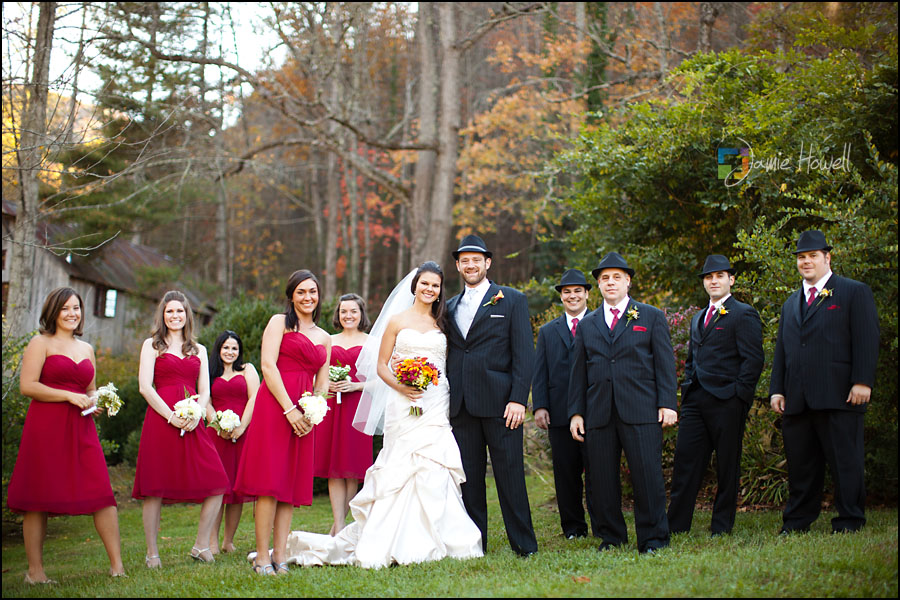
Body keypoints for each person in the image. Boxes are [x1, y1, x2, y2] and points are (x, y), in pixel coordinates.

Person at [283, 261, 483, 568]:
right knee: (400, 465)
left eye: (436, 285)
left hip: (436, 401)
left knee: (435, 464)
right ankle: (391, 536)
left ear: (441, 290)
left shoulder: (443, 323)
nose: (430, 289)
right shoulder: (396, 320)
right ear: (415, 285)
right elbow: (380, 366)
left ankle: (443, 536)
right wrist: (402, 387)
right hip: (402, 401)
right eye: (425, 283)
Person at [7, 287, 125, 583]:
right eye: (66, 309)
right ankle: (35, 573)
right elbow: (28, 386)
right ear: (53, 312)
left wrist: (96, 401)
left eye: (77, 308)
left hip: (81, 428)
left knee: (102, 493)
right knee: (38, 496)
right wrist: (68, 397)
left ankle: (118, 567)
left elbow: (89, 389)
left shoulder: (86, 349)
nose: (73, 313)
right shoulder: (40, 343)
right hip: (45, 427)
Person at [769, 230, 879, 534]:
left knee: (846, 462)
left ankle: (849, 520)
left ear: (827, 258)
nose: (806, 262)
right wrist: (777, 388)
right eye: (801, 257)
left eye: (812, 256)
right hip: (797, 397)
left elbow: (867, 339)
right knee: (801, 466)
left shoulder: (853, 292)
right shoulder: (791, 303)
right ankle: (797, 522)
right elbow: (783, 349)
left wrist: (862, 381)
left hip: (840, 394)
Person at [569, 251, 678, 554]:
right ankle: (612, 536)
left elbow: (664, 363)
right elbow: (578, 371)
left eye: (617, 277)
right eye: (605, 278)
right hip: (599, 413)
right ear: (599, 285)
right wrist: (577, 412)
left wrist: (668, 403)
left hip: (641, 409)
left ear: (628, 281)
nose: (610, 282)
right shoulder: (588, 324)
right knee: (602, 479)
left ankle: (654, 538)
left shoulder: (651, 316)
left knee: (647, 476)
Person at [233, 270, 331, 575]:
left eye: (312, 292)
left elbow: (322, 384)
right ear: (291, 295)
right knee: (269, 483)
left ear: (319, 295)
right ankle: (262, 556)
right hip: (275, 408)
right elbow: (267, 366)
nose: (307, 297)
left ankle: (280, 555)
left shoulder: (325, 338)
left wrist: (313, 412)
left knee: (289, 486)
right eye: (301, 292)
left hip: (304, 415)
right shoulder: (279, 323)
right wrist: (289, 410)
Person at [446, 234, 538, 557]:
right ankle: (475, 545)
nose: (470, 265)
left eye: (476, 259)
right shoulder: (448, 307)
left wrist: (518, 398)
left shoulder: (511, 299)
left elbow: (524, 355)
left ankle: (524, 545)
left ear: (487, 263)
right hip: (461, 407)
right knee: (469, 481)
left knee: (510, 476)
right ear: (458, 265)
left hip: (502, 405)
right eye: (464, 260)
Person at [667, 255, 764, 536]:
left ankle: (721, 526)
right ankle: (676, 524)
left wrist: (739, 397)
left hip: (727, 401)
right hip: (696, 401)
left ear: (730, 280)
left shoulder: (743, 313)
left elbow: (753, 360)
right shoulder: (699, 317)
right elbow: (691, 359)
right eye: (709, 277)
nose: (714, 281)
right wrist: (688, 387)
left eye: (719, 276)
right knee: (685, 462)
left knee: (727, 466)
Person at [132, 290, 229, 567]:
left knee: (217, 482)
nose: (175, 316)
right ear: (163, 315)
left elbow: (205, 391)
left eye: (180, 311)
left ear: (188, 315)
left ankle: (200, 545)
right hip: (161, 421)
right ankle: (152, 554)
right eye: (170, 311)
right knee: (154, 487)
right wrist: (171, 417)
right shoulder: (151, 345)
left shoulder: (197, 349)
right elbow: (145, 387)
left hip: (193, 421)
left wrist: (197, 414)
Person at [532, 269, 600, 540]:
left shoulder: (598, 324)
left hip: (594, 409)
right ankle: (573, 527)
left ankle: (601, 524)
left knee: (597, 471)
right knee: (566, 473)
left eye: (577, 291)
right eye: (567, 292)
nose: (572, 296)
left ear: (586, 294)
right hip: (558, 412)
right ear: (561, 296)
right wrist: (540, 406)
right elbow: (540, 371)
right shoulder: (549, 331)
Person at [314, 293, 374, 536]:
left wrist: (356, 386)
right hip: (332, 407)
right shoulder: (328, 339)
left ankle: (339, 524)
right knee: (334, 465)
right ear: (338, 315)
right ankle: (338, 523)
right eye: (344, 312)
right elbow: (317, 373)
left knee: (353, 467)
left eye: (353, 311)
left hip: (359, 407)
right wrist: (326, 385)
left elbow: (381, 380)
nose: (348, 316)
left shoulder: (372, 341)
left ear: (361, 314)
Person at [206, 330, 260, 554]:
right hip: (216, 436)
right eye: (226, 347)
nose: (230, 352)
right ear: (219, 349)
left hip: (243, 435)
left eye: (234, 348)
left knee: (236, 492)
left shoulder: (247, 369)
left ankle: (228, 541)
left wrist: (240, 427)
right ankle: (211, 541)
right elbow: (205, 401)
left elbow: (254, 398)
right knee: (217, 489)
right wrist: (219, 426)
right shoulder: (209, 373)